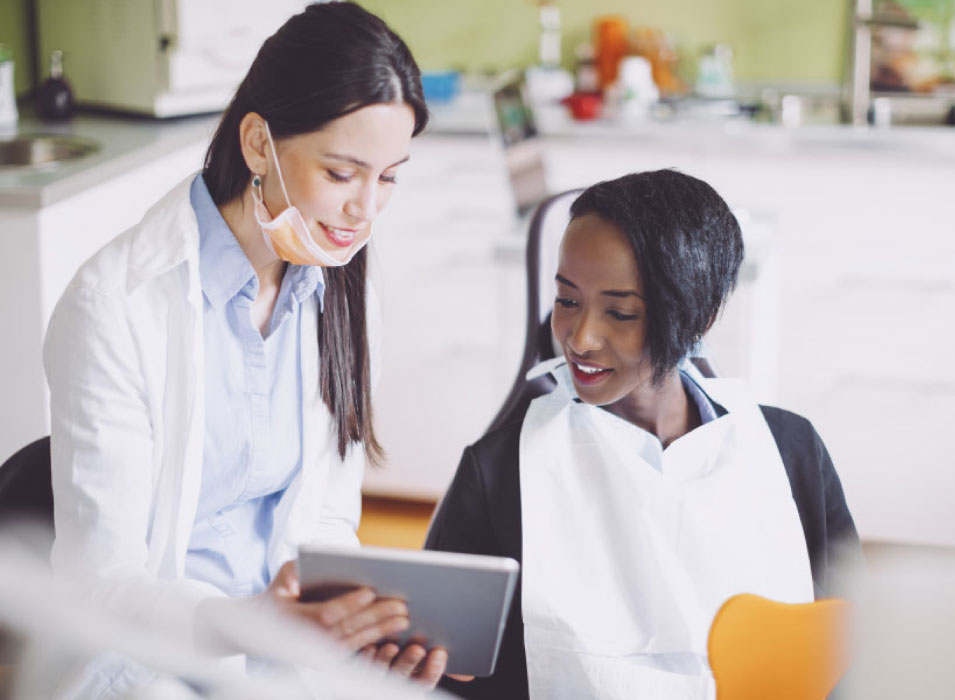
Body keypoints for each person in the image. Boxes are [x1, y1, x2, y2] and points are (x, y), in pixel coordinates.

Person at [42, 2, 447, 695]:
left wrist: (355, 629)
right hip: (147, 657)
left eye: (388, 177)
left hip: (284, 654)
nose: (366, 211)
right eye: (343, 173)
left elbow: (325, 517)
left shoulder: (340, 292)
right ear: (259, 145)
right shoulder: (115, 305)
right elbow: (98, 589)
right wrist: (250, 624)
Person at [425, 169, 860, 699]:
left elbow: (852, 645)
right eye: (567, 301)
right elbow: (448, 672)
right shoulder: (500, 472)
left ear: (700, 316)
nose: (581, 338)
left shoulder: (790, 453)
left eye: (621, 312)